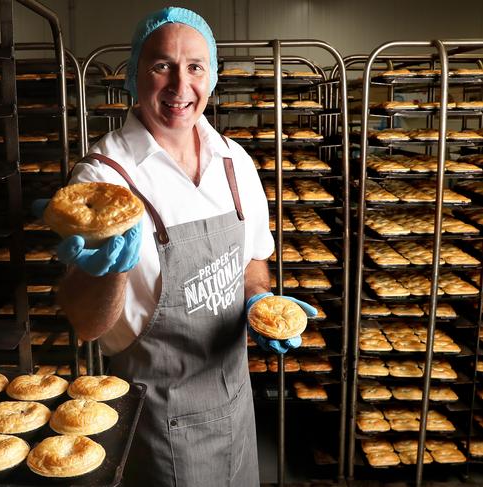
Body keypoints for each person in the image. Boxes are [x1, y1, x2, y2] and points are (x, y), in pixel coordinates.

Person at [39, 7, 317, 486]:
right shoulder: (104, 179)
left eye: (194, 67)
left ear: (211, 77)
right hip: (156, 414)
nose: (179, 85)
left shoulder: (235, 161)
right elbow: (87, 325)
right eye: (161, 65)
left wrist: (258, 300)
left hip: (235, 403)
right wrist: (109, 271)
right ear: (134, 73)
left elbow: (254, 260)